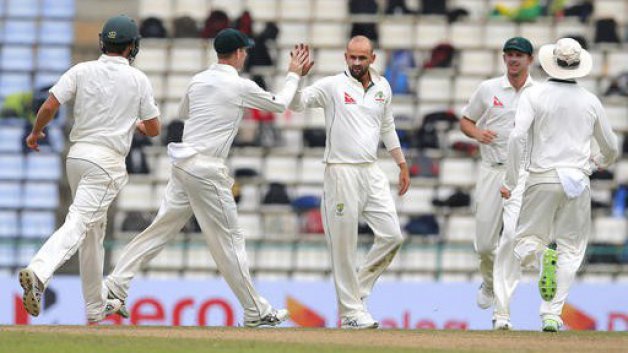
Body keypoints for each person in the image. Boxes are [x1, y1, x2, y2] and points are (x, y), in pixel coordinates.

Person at [104, 28, 311, 327]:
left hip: (183, 163)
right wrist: (294, 74)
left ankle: (116, 284)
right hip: (206, 169)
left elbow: (183, 112)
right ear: (238, 53)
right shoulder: (240, 86)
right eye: (245, 51)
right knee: (230, 241)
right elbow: (279, 104)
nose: (247, 55)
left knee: (161, 228)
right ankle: (256, 312)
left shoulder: (198, 79)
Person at [18, 15, 161, 323]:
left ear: (102, 42)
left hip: (78, 158)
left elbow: (48, 106)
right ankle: (39, 272)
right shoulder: (138, 79)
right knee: (81, 222)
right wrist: (135, 125)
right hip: (106, 163)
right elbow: (154, 128)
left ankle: (95, 309)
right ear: (131, 47)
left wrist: (35, 132)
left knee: (93, 232)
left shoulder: (81, 70)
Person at [289, 35, 409, 329]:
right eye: (352, 57)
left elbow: (387, 126)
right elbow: (297, 103)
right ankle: (351, 312)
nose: (356, 63)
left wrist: (402, 164)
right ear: (345, 57)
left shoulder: (383, 87)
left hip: (371, 171)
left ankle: (357, 294)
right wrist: (297, 77)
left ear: (372, 59)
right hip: (340, 171)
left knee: (393, 236)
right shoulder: (332, 86)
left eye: (362, 58)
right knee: (344, 247)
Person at [500, 38, 618, 332]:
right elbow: (612, 147)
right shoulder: (591, 101)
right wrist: (595, 163)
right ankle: (552, 314)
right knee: (572, 249)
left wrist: (512, 179)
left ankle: (540, 254)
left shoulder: (535, 95)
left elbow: (516, 138)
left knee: (525, 242)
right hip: (577, 181)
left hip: (542, 177)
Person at [459, 37, 535, 330]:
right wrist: (477, 134)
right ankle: (490, 283)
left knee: (511, 241)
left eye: (520, 56)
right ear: (504, 58)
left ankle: (502, 312)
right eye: (510, 55)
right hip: (492, 170)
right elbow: (466, 121)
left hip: (524, 175)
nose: (514, 60)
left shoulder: (539, 93)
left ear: (530, 59)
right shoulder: (489, 88)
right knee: (485, 245)